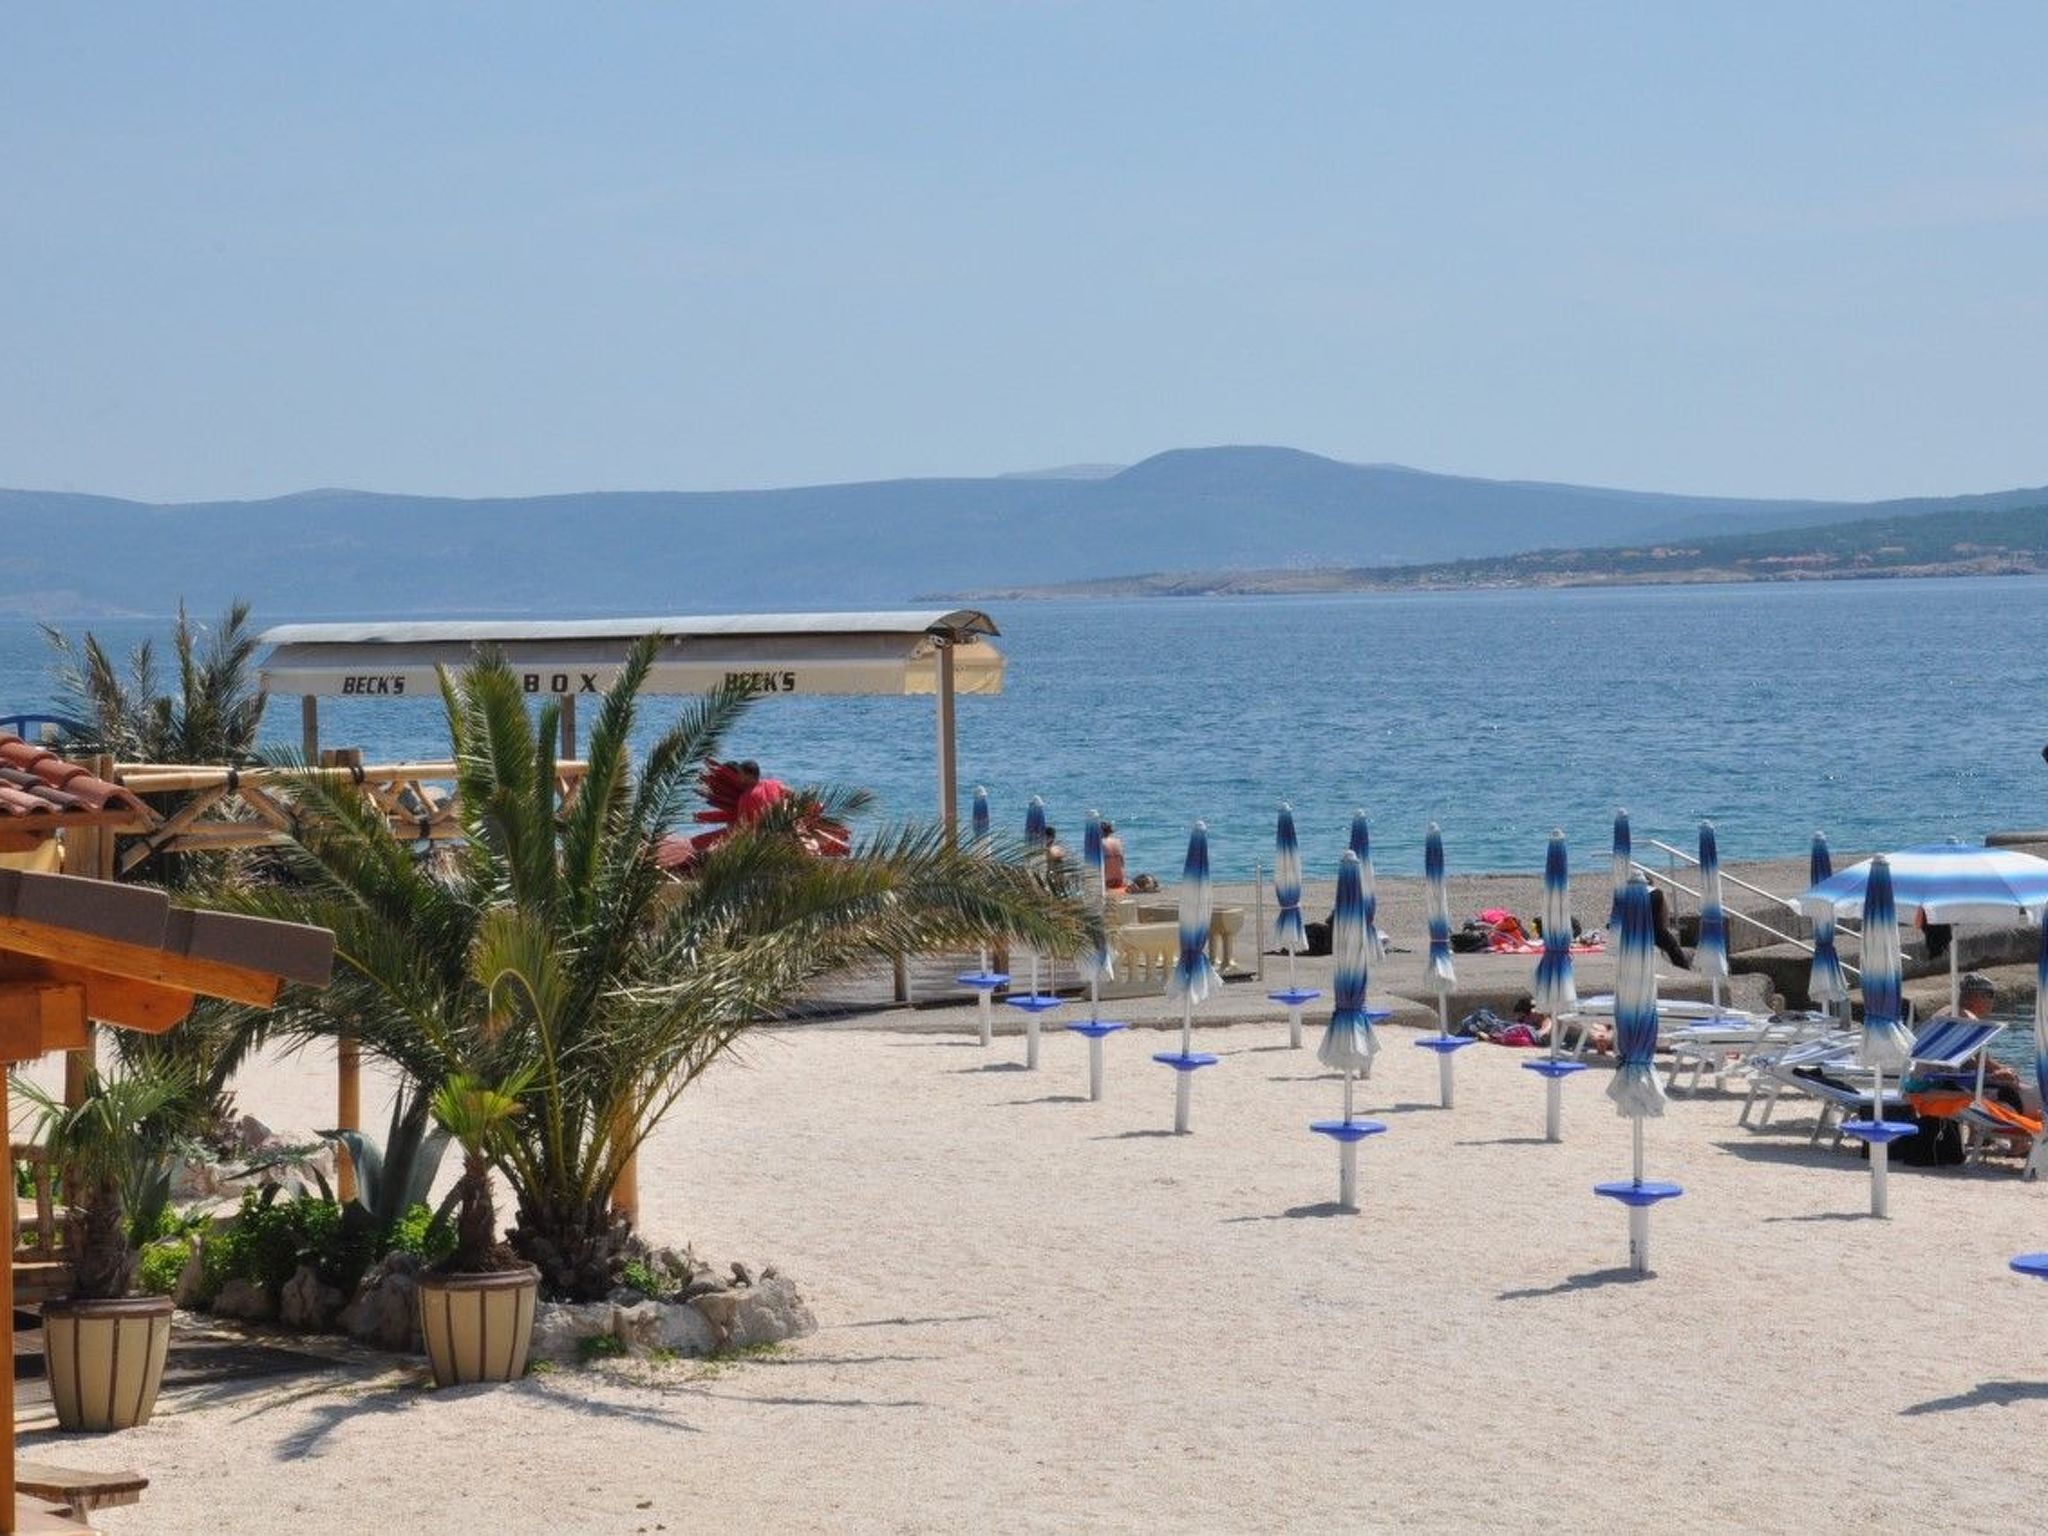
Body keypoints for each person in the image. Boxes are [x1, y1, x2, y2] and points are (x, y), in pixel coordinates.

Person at [1100, 820, 1127, 891]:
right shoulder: (1118, 841)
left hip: (1107, 881)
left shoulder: (1100, 843)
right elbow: (1123, 862)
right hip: (1120, 880)